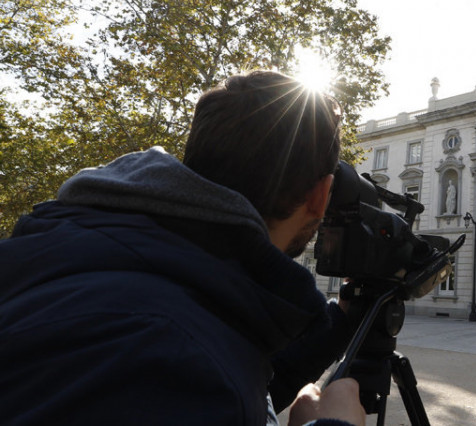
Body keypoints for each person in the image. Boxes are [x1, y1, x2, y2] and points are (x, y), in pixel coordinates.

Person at [0, 71, 365, 425]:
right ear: (321, 195)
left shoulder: (96, 250)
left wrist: (340, 322)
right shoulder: (170, 352)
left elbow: (233, 379)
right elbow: (194, 376)